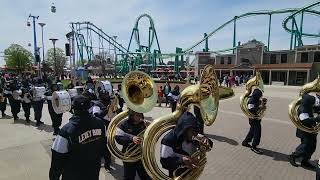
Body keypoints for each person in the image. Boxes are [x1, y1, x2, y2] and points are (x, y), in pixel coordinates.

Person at [49, 95, 106, 180]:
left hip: (73, 174)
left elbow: (57, 158)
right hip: (93, 170)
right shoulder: (100, 123)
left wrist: (54, 177)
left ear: (73, 109)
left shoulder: (66, 130)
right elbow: (103, 145)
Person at [160, 111, 213, 177]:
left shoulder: (194, 135)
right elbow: (164, 162)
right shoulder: (168, 140)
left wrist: (207, 141)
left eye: (195, 130)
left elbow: (209, 146)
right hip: (177, 174)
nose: (194, 134)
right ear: (184, 129)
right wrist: (181, 160)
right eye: (192, 131)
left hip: (191, 172)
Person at [115, 109, 151, 180]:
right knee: (129, 177)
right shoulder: (123, 124)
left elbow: (150, 138)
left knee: (145, 176)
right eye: (137, 115)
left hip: (142, 155)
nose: (140, 117)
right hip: (129, 155)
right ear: (131, 115)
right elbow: (118, 138)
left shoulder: (143, 123)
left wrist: (149, 127)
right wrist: (131, 139)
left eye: (140, 115)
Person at [289, 94, 320, 169]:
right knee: (305, 146)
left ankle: (305, 161)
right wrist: (316, 119)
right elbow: (304, 120)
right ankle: (293, 156)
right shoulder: (303, 108)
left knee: (312, 146)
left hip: (311, 130)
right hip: (304, 131)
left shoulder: (309, 104)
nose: (314, 104)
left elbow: (316, 108)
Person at [89, 89, 112, 171]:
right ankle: (103, 164)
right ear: (101, 95)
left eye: (107, 94)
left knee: (109, 147)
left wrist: (117, 108)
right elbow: (97, 116)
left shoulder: (111, 102)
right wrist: (107, 110)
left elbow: (118, 112)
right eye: (105, 94)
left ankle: (107, 164)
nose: (107, 96)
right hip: (101, 128)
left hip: (110, 127)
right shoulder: (97, 104)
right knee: (101, 148)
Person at [241, 88, 266, 154]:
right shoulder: (252, 100)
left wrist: (263, 103)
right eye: (259, 95)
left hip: (256, 119)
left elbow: (259, 106)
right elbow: (250, 109)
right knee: (257, 133)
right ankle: (254, 147)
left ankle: (245, 142)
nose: (260, 97)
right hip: (253, 120)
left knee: (252, 131)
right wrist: (260, 107)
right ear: (256, 94)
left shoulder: (256, 99)